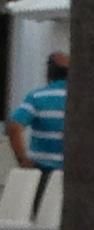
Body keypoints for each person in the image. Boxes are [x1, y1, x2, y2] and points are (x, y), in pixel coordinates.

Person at [7, 52, 68, 214]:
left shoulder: (37, 97)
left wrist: (23, 160)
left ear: (49, 72)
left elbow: (13, 127)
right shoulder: (83, 99)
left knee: (40, 219)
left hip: (42, 173)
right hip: (74, 175)